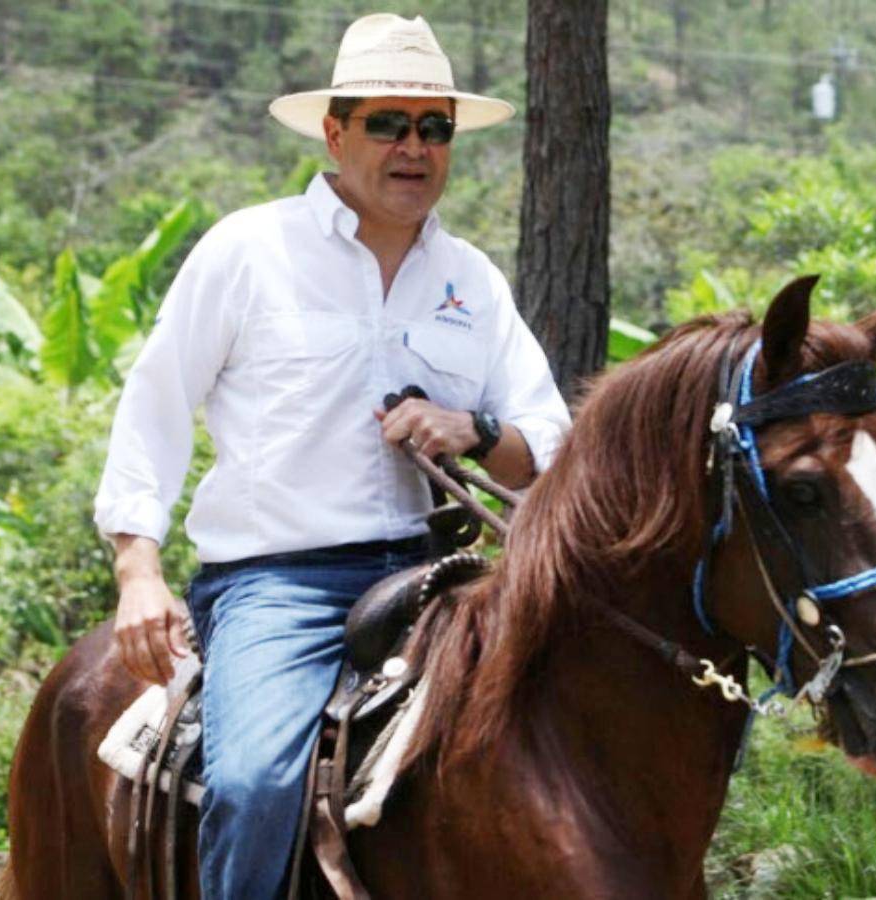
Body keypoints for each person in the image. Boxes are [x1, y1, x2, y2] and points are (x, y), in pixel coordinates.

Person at [92, 13, 570, 899]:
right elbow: (154, 403)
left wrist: (473, 428)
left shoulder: (472, 278)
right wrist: (137, 570)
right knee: (254, 783)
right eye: (388, 123)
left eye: (434, 128)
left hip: (447, 577)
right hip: (282, 583)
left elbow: (547, 446)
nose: (414, 148)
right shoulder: (249, 250)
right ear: (336, 131)